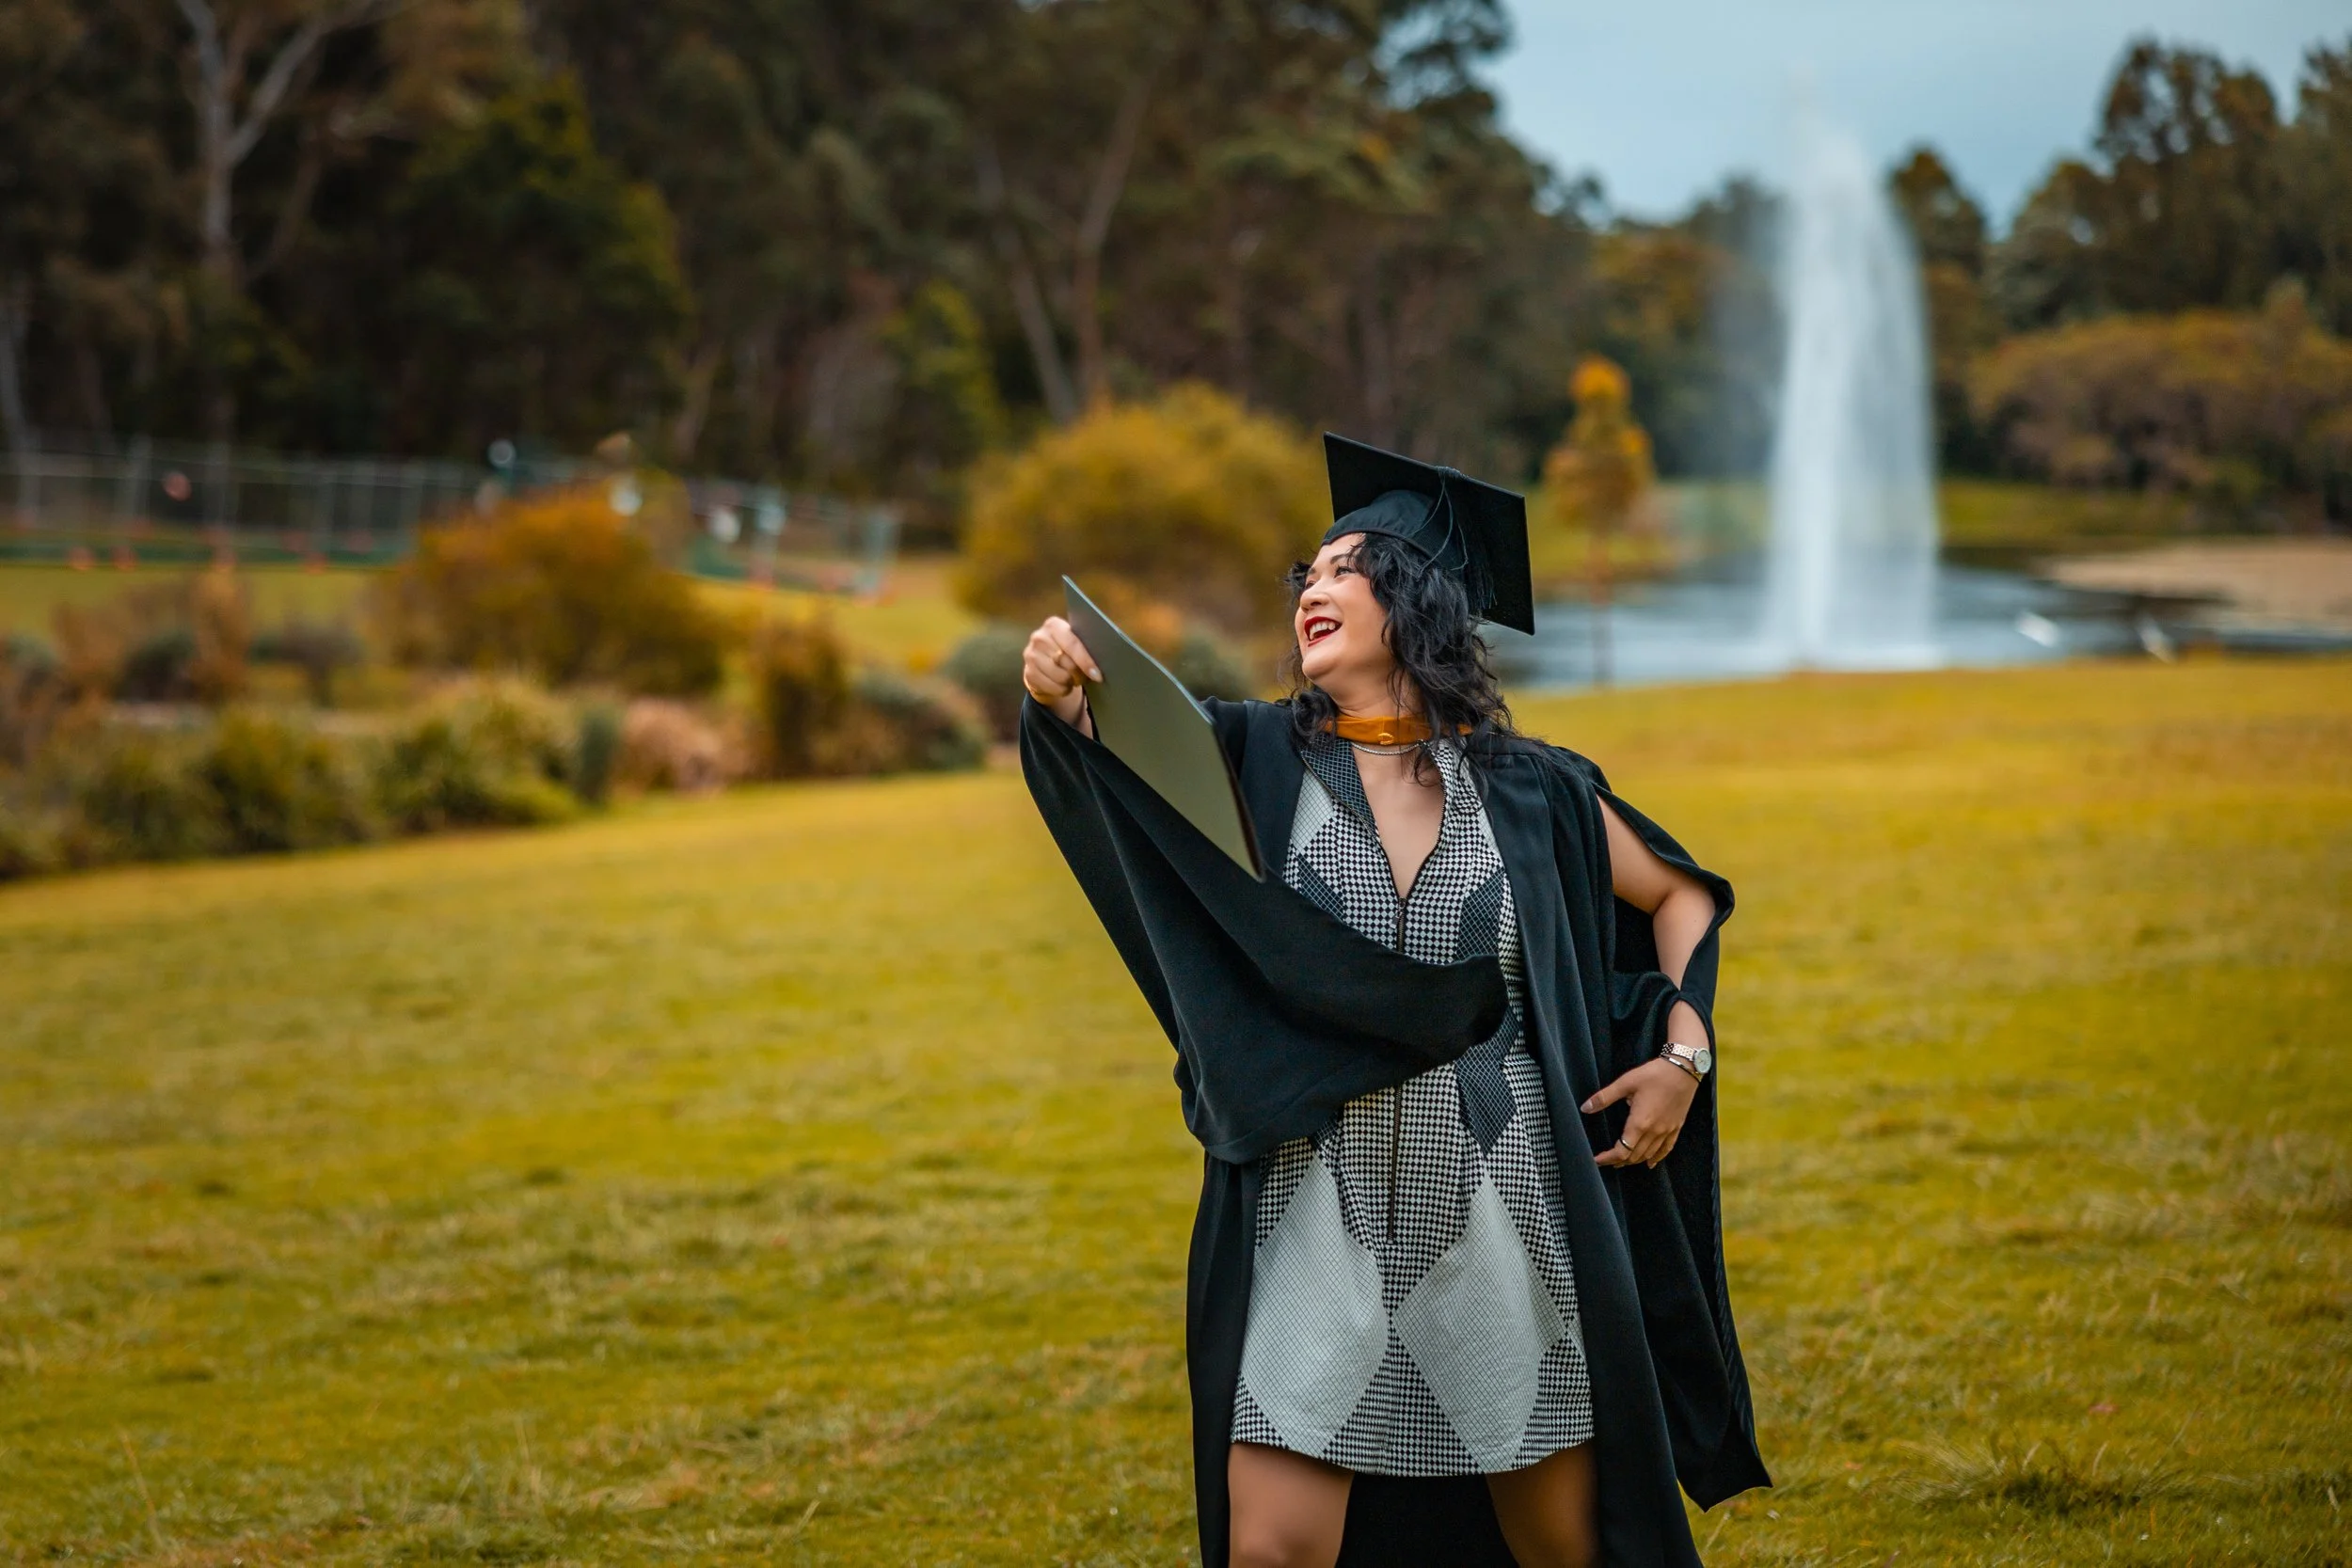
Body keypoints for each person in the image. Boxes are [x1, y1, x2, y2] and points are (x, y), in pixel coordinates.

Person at [1017, 436, 1768, 1568]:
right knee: (1272, 1546)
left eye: (1344, 566)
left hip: (1503, 1203)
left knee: (1558, 1546)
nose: (1312, 588)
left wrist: (1683, 1048)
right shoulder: (1251, 758)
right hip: (1319, 1200)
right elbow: (1111, 760)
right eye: (1305, 575)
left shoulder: (1533, 790)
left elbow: (1677, 896)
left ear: (1417, 601)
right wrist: (1057, 695)